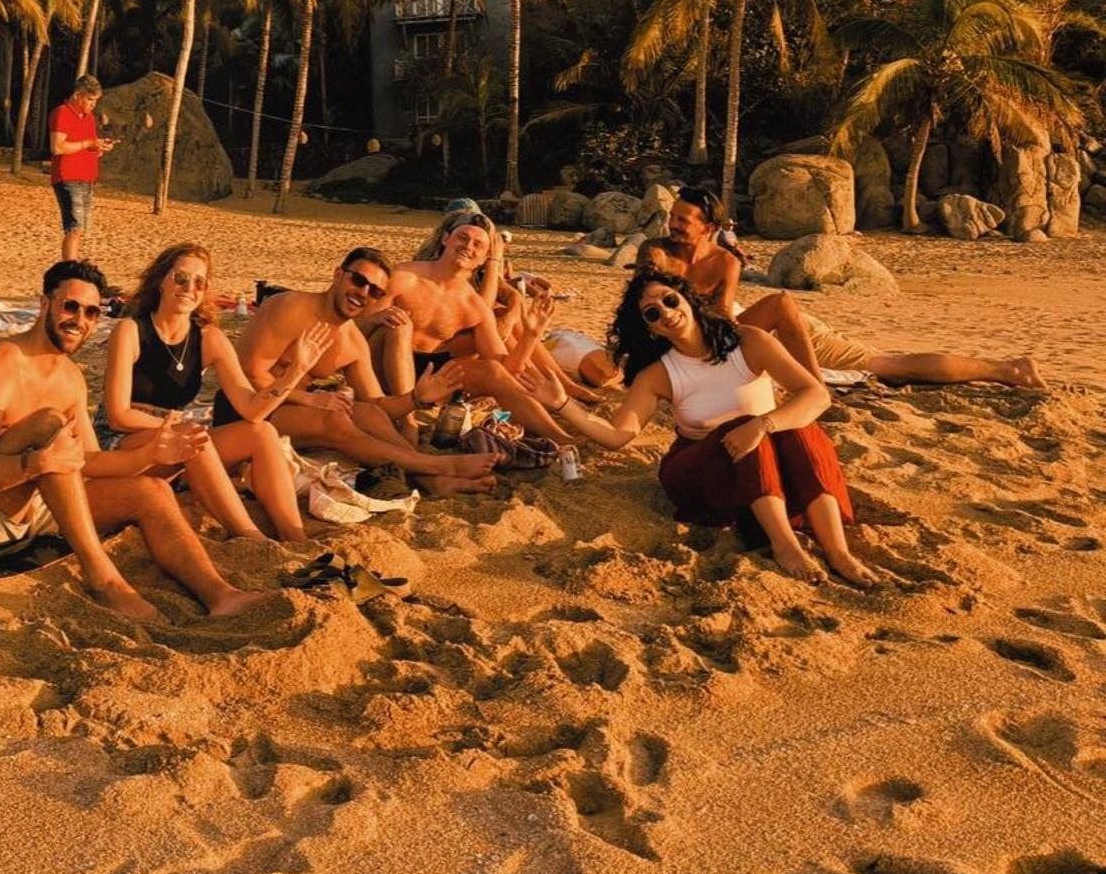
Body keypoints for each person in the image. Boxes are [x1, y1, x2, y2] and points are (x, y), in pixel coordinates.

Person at [0, 259, 271, 622]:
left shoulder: (71, 377)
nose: (80, 320)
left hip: (33, 501)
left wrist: (152, 452)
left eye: (92, 312)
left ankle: (221, 595)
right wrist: (36, 463)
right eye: (70, 306)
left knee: (152, 491)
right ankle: (104, 581)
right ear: (44, 303)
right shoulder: (1, 360)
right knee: (49, 426)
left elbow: (89, 460)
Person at [557, 269, 877, 587]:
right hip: (701, 471)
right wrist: (561, 404)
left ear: (689, 299)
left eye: (670, 300)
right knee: (742, 427)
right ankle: (785, 545)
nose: (666, 313)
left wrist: (764, 423)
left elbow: (816, 395)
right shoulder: (657, 374)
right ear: (650, 328)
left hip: (765, 460)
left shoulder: (749, 341)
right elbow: (617, 436)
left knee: (799, 428)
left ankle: (837, 550)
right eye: (653, 313)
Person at [661, 191, 1043, 390]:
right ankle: (1004, 368)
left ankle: (1006, 369)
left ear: (708, 227)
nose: (673, 224)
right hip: (766, 327)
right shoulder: (665, 254)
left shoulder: (722, 260)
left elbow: (728, 322)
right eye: (672, 216)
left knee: (889, 366)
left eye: (682, 219)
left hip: (787, 329)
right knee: (888, 367)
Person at [215, 248, 500, 495]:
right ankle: (438, 467)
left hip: (293, 409)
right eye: (359, 280)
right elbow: (249, 373)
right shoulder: (291, 307)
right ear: (338, 274)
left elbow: (378, 405)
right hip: (245, 409)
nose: (363, 293)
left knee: (369, 415)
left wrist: (417, 398)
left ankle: (431, 480)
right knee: (334, 421)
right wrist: (311, 400)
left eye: (375, 291)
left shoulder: (352, 341)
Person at [98, 243, 325, 542]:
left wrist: (295, 370)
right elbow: (117, 416)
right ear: (161, 281)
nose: (189, 288)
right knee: (195, 437)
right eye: (180, 278)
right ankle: (251, 538)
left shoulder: (209, 339)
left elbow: (252, 409)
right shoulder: (131, 330)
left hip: (176, 441)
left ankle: (294, 536)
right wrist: (179, 429)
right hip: (122, 444)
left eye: (199, 282)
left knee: (263, 433)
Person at [364, 213, 575, 443]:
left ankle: (561, 438)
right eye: (462, 238)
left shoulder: (474, 306)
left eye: (477, 244)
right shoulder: (405, 276)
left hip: (430, 376)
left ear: (485, 257)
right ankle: (408, 423)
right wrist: (376, 318)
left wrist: (531, 336)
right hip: (381, 366)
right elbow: (353, 330)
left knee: (492, 371)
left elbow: (506, 370)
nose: (468, 247)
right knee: (400, 325)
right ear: (445, 239)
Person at [48, 75, 115, 263]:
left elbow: (87, 147)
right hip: (68, 177)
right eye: (90, 100)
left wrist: (99, 147)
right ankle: (69, 268)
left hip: (87, 177)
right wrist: (88, 143)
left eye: (95, 101)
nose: (93, 105)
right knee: (74, 228)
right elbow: (57, 147)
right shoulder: (61, 113)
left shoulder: (89, 119)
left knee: (81, 229)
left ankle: (73, 264)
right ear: (78, 95)